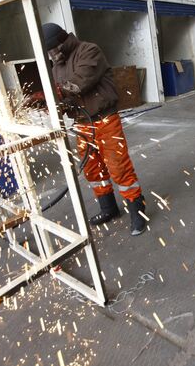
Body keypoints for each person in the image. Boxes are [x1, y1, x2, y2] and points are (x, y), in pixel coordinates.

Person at [37, 23, 148, 236]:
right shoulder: (57, 66)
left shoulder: (89, 50)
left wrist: (54, 93)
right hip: (82, 123)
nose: (51, 55)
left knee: (119, 167)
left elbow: (79, 83)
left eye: (52, 50)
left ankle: (137, 209)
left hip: (105, 120)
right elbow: (65, 97)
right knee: (93, 169)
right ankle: (108, 208)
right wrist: (51, 106)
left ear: (61, 43)